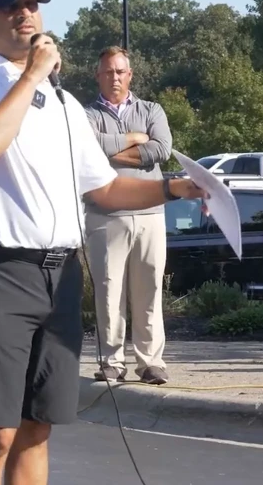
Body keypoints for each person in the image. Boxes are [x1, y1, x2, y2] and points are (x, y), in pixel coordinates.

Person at [0, 0, 206, 485]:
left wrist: (175, 188)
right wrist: (32, 77)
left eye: (32, 3)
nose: (25, 13)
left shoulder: (63, 103)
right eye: (11, 5)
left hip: (58, 278)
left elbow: (103, 188)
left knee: (38, 428)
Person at [84, 47, 172, 385]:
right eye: (108, 72)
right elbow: (87, 147)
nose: (115, 77)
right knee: (108, 291)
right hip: (105, 215)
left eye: (120, 72)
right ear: (99, 76)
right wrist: (135, 139)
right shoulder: (87, 115)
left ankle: (151, 362)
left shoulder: (152, 110)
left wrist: (113, 152)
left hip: (150, 212)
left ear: (130, 75)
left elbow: (162, 149)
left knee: (148, 288)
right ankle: (112, 362)